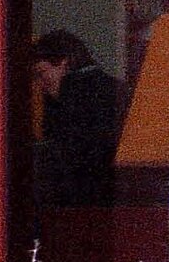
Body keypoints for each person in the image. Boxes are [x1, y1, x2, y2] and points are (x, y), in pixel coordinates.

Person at [30, 28, 125, 207]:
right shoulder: (116, 88)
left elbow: (64, 160)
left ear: (64, 63)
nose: (41, 85)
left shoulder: (69, 96)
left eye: (41, 73)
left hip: (77, 202)